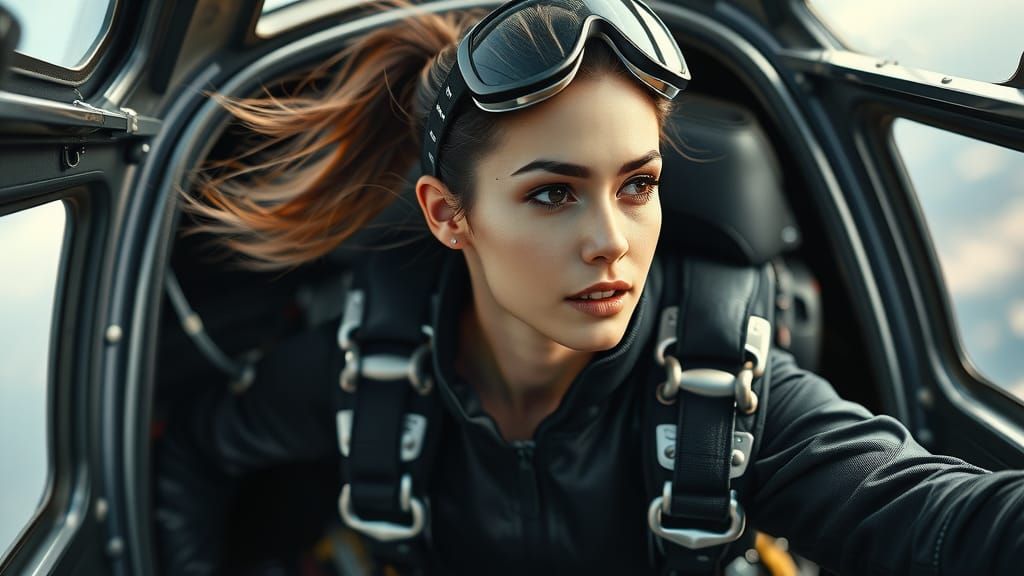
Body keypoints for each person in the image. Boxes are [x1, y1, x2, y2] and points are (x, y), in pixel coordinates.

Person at [157, 1, 1024, 574]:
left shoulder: (731, 399)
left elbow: (944, 523)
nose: (611, 241)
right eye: (551, 194)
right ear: (448, 216)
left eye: (637, 184)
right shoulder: (365, 373)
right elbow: (192, 452)